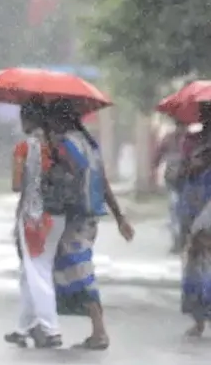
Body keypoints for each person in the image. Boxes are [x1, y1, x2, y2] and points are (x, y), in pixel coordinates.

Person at [47, 99, 134, 350]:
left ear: (60, 120)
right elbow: (103, 182)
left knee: (80, 270)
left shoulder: (66, 144)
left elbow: (71, 173)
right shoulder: (90, 144)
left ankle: (99, 331)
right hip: (90, 217)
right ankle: (94, 329)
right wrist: (119, 218)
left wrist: (54, 154)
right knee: (76, 267)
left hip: (76, 215)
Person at [4, 100, 65, 348]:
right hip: (59, 215)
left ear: (27, 120)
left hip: (34, 217)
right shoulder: (59, 146)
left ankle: (51, 329)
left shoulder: (24, 147)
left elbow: (17, 186)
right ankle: (24, 327)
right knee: (31, 271)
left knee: (38, 272)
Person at [178, 140, 211, 337]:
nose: (193, 161)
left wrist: (199, 231)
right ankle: (198, 322)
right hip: (194, 229)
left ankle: (200, 321)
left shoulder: (207, 179)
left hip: (203, 229)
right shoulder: (193, 179)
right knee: (194, 275)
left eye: (199, 158)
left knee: (201, 275)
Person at [153, 122, 189, 252]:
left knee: (179, 211)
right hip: (177, 180)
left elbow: (157, 156)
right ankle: (179, 241)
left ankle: (181, 240)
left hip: (184, 180)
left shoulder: (189, 139)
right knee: (176, 210)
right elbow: (157, 156)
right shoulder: (172, 138)